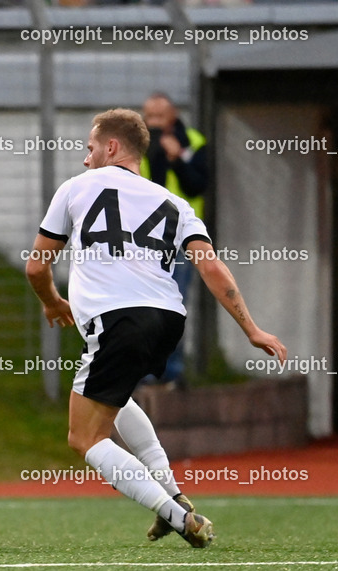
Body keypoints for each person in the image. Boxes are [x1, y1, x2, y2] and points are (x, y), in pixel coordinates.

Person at [25, 109, 286, 547]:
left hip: (119, 319)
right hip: (167, 318)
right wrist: (252, 330)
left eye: (90, 149)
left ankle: (178, 517)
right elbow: (213, 269)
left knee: (84, 436)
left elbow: (36, 267)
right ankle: (174, 499)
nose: (86, 160)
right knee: (116, 396)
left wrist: (52, 302)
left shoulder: (75, 188)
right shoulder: (173, 202)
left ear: (111, 147)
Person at [141, 93, 210, 385]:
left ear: (173, 117)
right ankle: (145, 372)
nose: (154, 123)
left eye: (159, 116)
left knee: (174, 304)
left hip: (181, 238)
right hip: (144, 240)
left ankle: (172, 372)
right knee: (144, 306)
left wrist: (177, 158)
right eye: (149, 117)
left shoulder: (193, 142)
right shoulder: (137, 145)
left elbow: (197, 186)